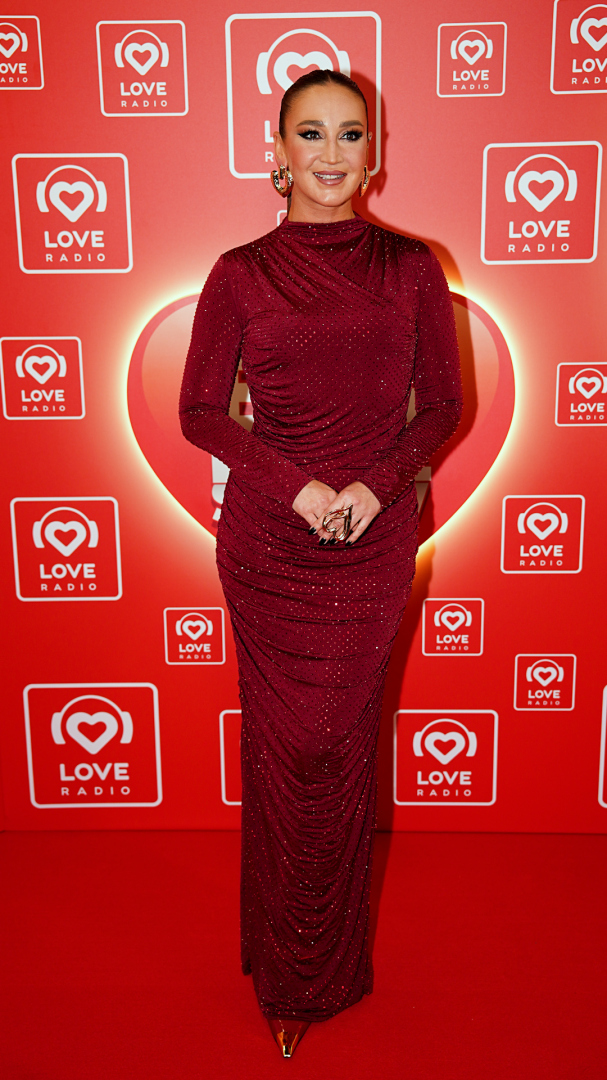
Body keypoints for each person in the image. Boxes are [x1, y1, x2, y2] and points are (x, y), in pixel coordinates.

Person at [179, 69, 463, 1058]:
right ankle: (281, 968)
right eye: (311, 133)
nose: (331, 154)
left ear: (372, 151)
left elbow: (443, 404)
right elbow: (200, 410)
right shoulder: (238, 273)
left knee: (337, 750)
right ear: (277, 149)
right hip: (269, 546)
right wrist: (297, 486)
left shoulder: (412, 267)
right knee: (281, 749)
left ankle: (324, 971)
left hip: (372, 544)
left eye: (350, 133)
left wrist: (375, 487)